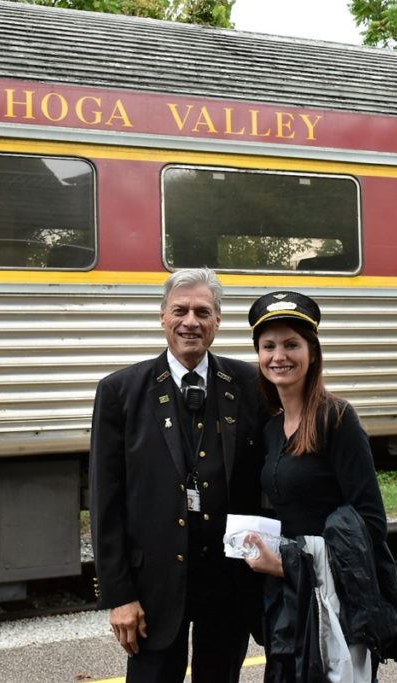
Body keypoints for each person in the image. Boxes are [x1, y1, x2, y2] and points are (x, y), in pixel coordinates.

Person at [89, 268, 265, 683]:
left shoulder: (250, 384)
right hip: (152, 591)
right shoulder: (120, 392)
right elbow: (106, 501)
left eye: (203, 312)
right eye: (180, 311)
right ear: (162, 317)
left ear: (218, 321)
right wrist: (120, 596)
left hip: (227, 586)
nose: (191, 322)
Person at [243, 291, 397, 682]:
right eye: (269, 346)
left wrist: (291, 559)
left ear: (312, 353)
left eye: (291, 345)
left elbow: (370, 523)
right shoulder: (270, 429)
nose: (278, 356)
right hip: (290, 598)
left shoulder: (338, 419)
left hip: (336, 602)